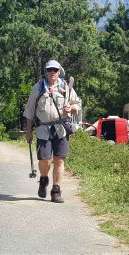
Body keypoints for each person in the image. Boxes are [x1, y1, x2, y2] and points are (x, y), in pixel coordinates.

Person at [24, 60, 80, 203]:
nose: (52, 72)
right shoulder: (37, 88)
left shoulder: (67, 88)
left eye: (55, 70)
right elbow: (30, 111)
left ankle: (56, 190)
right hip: (43, 129)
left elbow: (76, 106)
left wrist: (71, 109)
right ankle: (43, 179)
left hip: (60, 129)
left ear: (59, 72)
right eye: (49, 70)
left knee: (59, 160)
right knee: (43, 159)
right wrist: (28, 131)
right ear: (46, 72)